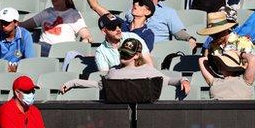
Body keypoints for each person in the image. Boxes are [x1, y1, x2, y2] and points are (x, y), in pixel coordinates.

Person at [0, 0, 93, 57]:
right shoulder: (46, 13)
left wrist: (84, 42)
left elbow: (86, 34)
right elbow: (22, 25)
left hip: (64, 49)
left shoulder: (73, 14)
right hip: (44, 48)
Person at [61, 38, 190, 96]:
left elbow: (168, 80)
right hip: (118, 117)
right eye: (122, 52)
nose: (123, 56)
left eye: (127, 54)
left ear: (136, 55)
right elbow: (96, 85)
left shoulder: (147, 70)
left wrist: (184, 80)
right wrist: (73, 82)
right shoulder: (113, 71)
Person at [75, 0, 156, 50]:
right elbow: (95, 6)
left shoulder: (147, 34)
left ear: (148, 12)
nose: (136, 4)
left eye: (141, 4)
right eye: (135, 1)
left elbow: (143, 57)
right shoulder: (120, 24)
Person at [126, 0, 197, 49]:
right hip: (133, 52)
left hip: (158, 52)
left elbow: (179, 33)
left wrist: (189, 39)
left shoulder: (168, 12)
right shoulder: (131, 12)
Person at [0, 7, 36, 72]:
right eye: (2, 22)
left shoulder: (25, 35)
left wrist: (17, 68)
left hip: (21, 72)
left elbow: (29, 62)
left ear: (16, 23)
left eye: (6, 22)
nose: (3, 25)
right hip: (1, 72)